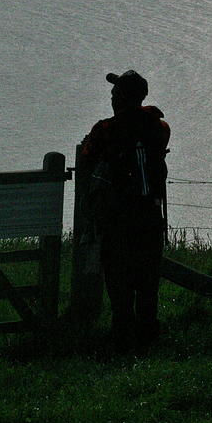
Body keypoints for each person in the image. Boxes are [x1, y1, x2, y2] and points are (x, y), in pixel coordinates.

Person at [81, 70, 170, 353]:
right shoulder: (160, 128)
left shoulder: (105, 130)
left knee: (118, 280)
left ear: (118, 98)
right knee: (147, 279)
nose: (110, 96)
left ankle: (122, 336)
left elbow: (87, 156)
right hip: (151, 215)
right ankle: (147, 335)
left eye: (113, 93)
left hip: (118, 217)